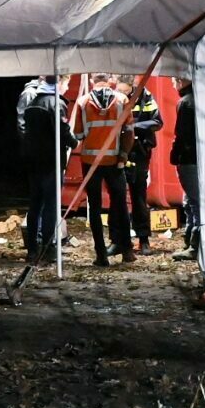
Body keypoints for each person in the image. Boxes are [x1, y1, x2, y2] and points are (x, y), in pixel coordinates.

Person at [71, 75, 135, 265]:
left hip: (91, 162)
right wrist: (123, 155)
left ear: (92, 81)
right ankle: (127, 251)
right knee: (121, 205)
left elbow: (78, 134)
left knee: (95, 208)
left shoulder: (83, 102)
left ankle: (101, 255)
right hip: (115, 161)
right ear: (109, 80)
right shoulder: (122, 100)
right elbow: (129, 131)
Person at [17, 77, 72, 263]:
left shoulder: (32, 102)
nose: (68, 87)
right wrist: (74, 141)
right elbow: (62, 131)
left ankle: (32, 248)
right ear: (60, 82)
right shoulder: (56, 103)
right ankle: (48, 249)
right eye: (67, 83)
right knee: (51, 206)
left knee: (35, 205)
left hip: (34, 161)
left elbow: (24, 129)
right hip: (51, 161)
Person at [125, 80, 162, 250]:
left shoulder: (145, 97)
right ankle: (121, 240)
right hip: (120, 150)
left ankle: (143, 239)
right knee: (118, 197)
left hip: (139, 151)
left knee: (139, 195)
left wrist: (133, 127)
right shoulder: (115, 96)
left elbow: (157, 122)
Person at [171, 82, 201, 261]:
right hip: (199, 158)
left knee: (195, 203)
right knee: (190, 201)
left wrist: (175, 155)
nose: (173, 83)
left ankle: (195, 246)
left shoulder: (186, 102)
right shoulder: (202, 98)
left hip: (189, 159)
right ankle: (190, 241)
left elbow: (181, 134)